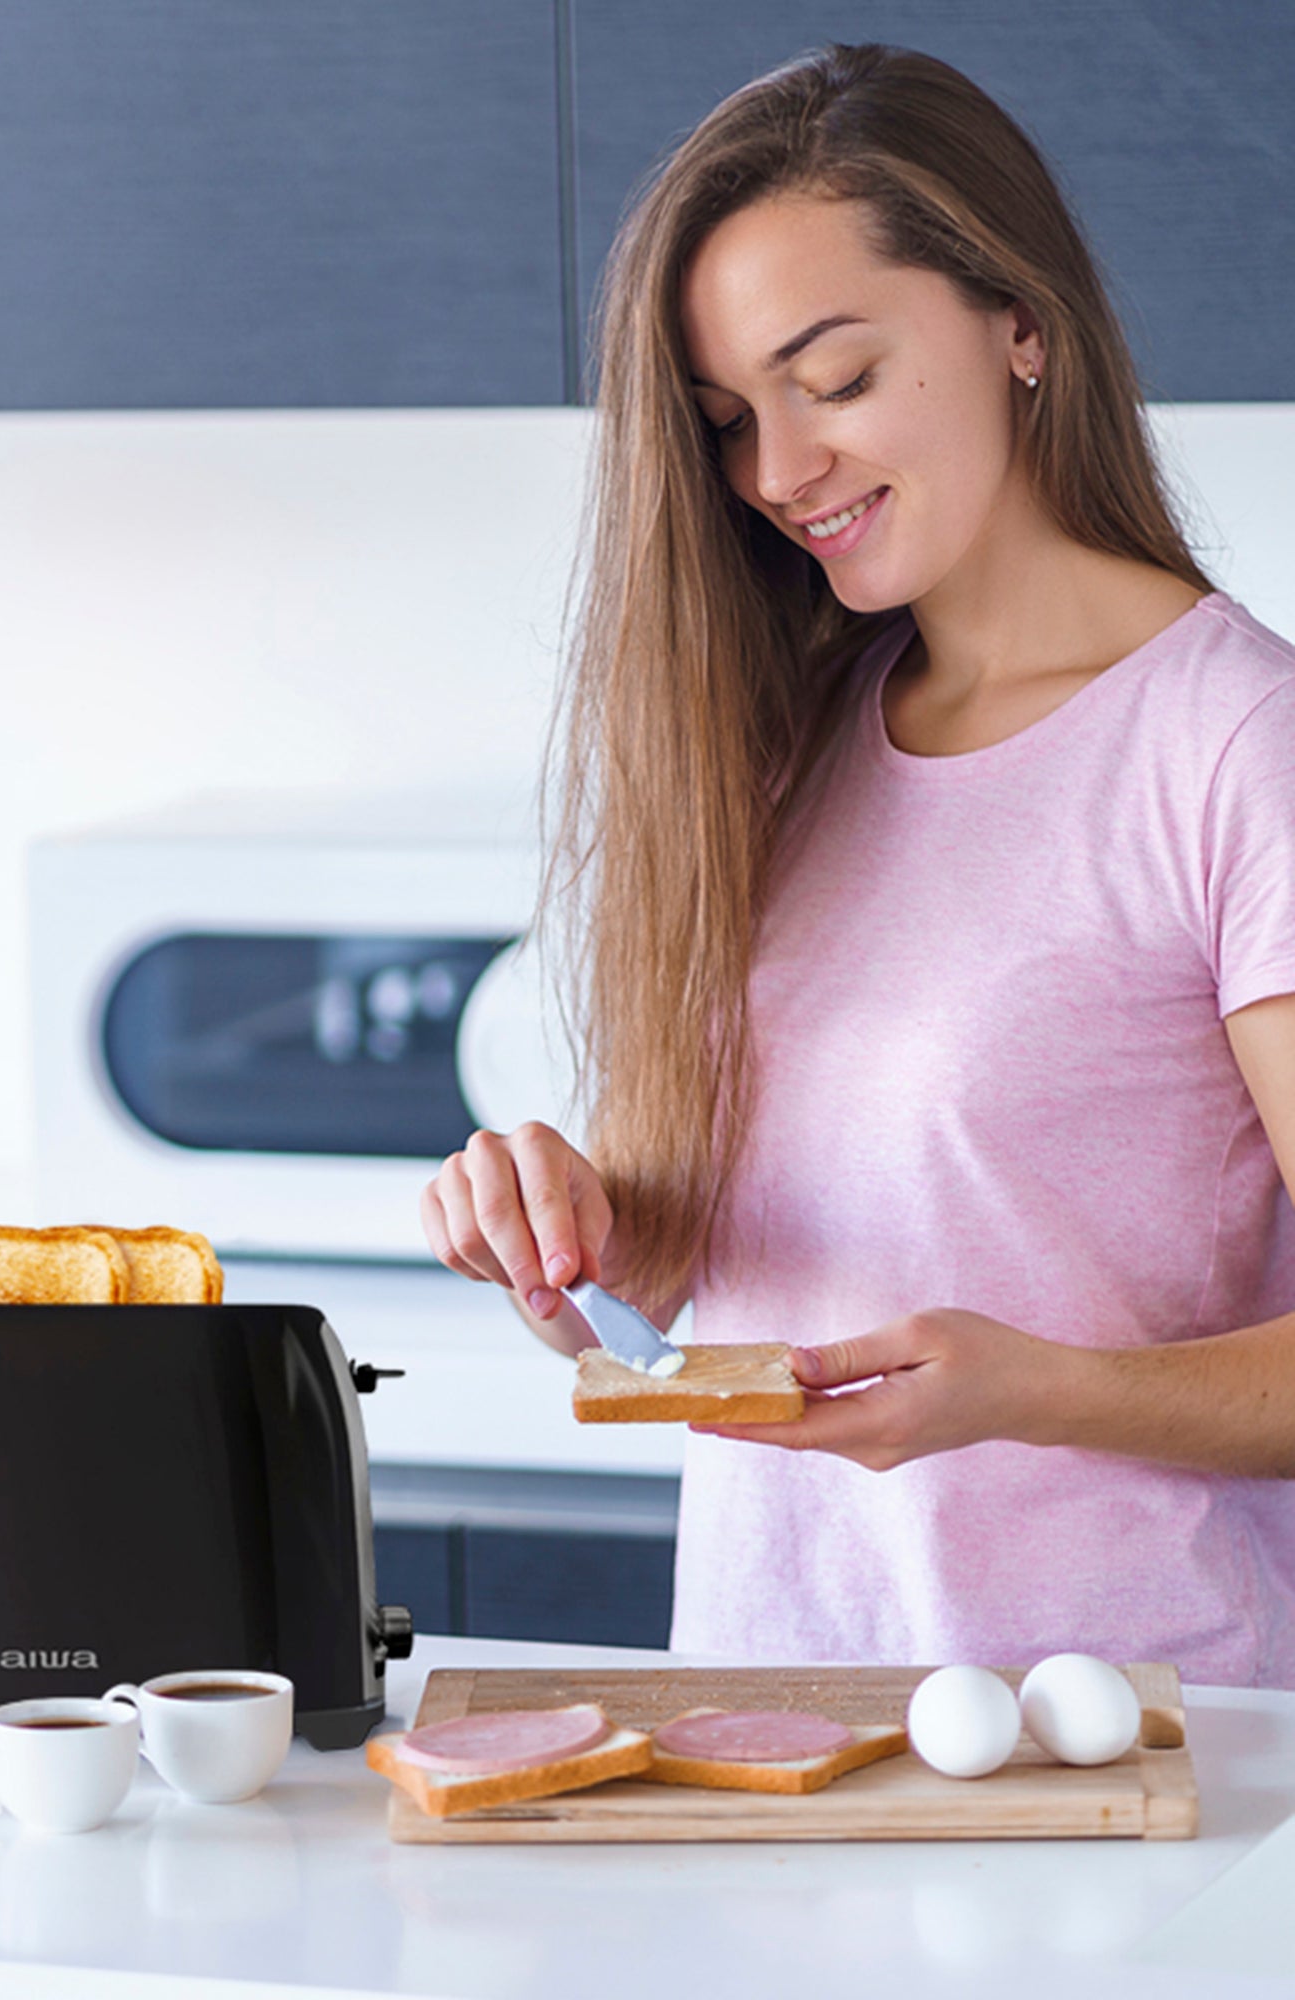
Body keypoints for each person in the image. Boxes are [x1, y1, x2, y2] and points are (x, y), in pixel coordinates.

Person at [420, 44, 1295, 1685]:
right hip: (771, 1711)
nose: (776, 471)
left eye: (834, 380)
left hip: (1125, 1748)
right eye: (733, 419)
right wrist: (565, 1243)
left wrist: (1032, 1386)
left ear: (1017, 321)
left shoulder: (1236, 749)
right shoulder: (784, 738)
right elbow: (696, 1280)